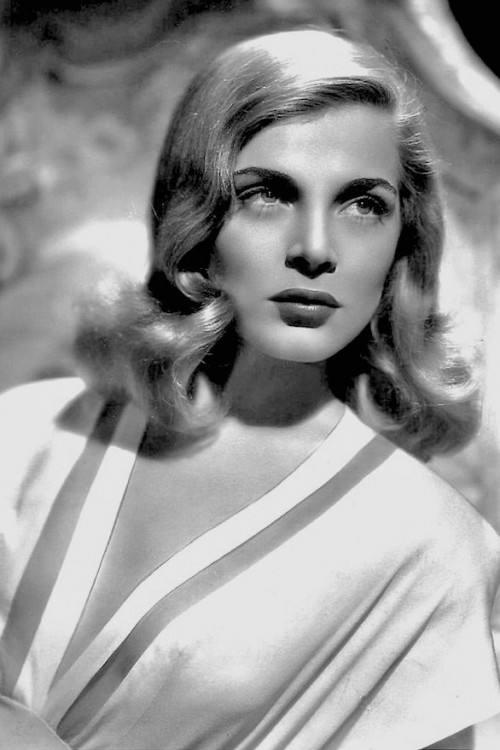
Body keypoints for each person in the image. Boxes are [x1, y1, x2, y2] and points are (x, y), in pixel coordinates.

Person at [1, 27, 499, 750]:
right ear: (195, 217)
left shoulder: (430, 547)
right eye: (268, 194)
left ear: (404, 240)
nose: (316, 249)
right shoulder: (27, 435)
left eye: (363, 205)